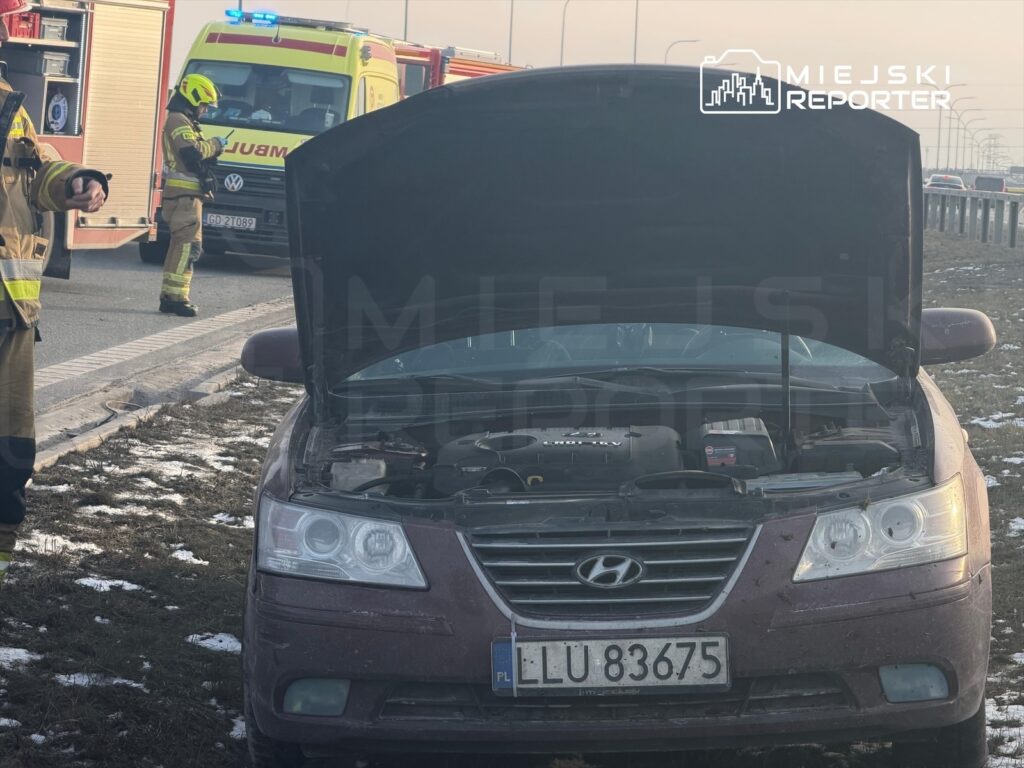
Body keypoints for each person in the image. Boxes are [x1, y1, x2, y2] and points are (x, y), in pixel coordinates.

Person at [0, 0, 108, 588]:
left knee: (7, 455)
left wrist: (77, 183)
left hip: (10, 315)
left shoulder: (8, 107)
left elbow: (38, 169)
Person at [159, 73, 226, 317]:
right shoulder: (178, 120)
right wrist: (215, 145)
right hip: (184, 199)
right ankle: (177, 298)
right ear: (193, 98)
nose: (205, 110)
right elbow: (192, 154)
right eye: (204, 105)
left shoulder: (182, 121)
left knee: (181, 247)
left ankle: (170, 296)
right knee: (188, 248)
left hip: (186, 198)